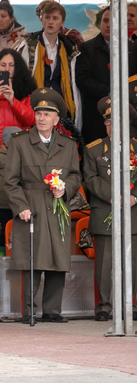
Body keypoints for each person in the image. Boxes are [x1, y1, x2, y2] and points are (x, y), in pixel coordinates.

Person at [4, 88, 80, 324]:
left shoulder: (68, 145)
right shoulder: (20, 142)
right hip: (32, 207)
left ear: (57, 120)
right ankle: (28, 311)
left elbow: (76, 176)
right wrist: (21, 206)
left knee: (58, 259)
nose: (42, 118)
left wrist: (65, 188)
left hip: (57, 207)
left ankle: (52, 310)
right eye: (39, 113)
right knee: (32, 260)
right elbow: (10, 181)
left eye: (47, 114)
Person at [82, 97, 137, 322]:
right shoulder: (94, 148)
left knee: (133, 263)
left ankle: (131, 305)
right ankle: (103, 307)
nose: (112, 126)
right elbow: (90, 178)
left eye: (117, 122)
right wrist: (113, 195)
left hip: (133, 212)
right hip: (105, 210)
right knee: (104, 265)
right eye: (108, 122)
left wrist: (134, 196)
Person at [26, 0, 81, 126]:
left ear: (62, 22)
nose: (50, 22)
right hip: (34, 103)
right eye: (47, 17)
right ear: (41, 19)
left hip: (60, 103)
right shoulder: (29, 46)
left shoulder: (68, 49)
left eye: (55, 18)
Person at [75, 6, 110, 144]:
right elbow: (82, 79)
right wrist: (108, 92)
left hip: (124, 112)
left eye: (113, 21)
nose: (108, 25)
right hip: (95, 115)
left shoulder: (130, 48)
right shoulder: (87, 48)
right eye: (105, 21)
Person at [0, 126, 21, 257]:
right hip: (1, 202)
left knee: (17, 232)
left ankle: (16, 255)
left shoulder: (22, 156)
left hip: (18, 203)